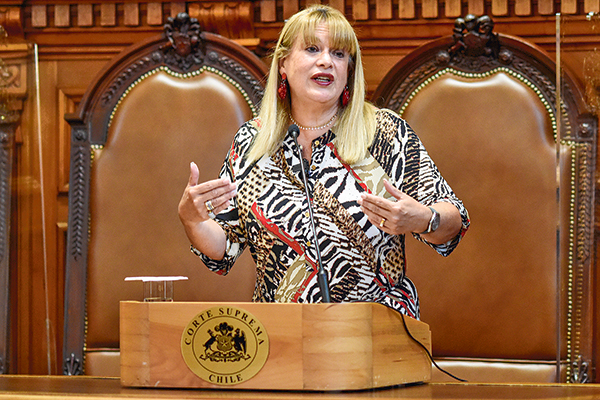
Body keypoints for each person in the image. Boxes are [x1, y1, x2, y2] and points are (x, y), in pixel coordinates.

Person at [178, 4, 469, 318]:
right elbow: (223, 247)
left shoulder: (383, 133)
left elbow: (453, 219)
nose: (326, 61)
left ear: (349, 71)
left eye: (339, 54)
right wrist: (193, 220)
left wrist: (425, 218)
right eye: (313, 49)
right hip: (282, 336)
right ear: (284, 64)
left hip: (374, 334)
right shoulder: (253, 143)